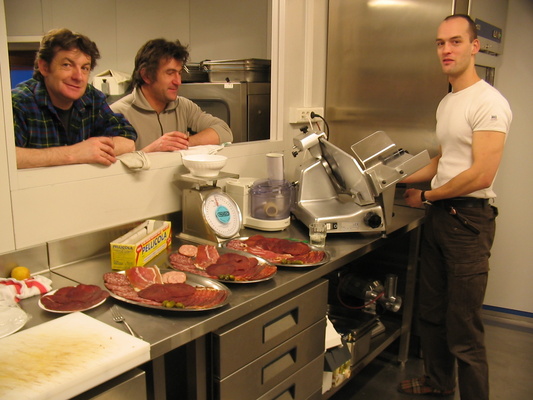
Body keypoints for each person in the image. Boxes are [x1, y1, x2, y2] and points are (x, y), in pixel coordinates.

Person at [398, 14, 512, 399]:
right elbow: (445, 161)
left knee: (464, 328)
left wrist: (427, 195)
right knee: (431, 314)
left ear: (474, 46)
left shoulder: (489, 103)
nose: (446, 50)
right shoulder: (448, 101)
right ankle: (439, 383)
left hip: (469, 222)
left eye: (456, 42)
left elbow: (480, 174)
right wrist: (399, 179)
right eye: (440, 43)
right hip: (440, 219)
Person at [12, 28, 137, 169]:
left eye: (85, 68)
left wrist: (95, 150)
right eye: (67, 65)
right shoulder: (19, 102)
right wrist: (74, 153)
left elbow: (128, 139)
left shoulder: (91, 97)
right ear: (44, 67)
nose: (78, 77)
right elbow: (6, 158)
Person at [111, 39, 233, 152]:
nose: (178, 81)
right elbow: (110, 168)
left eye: (179, 73)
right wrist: (152, 150)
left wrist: (183, 143)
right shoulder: (117, 114)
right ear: (146, 75)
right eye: (170, 73)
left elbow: (224, 131)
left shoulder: (184, 106)